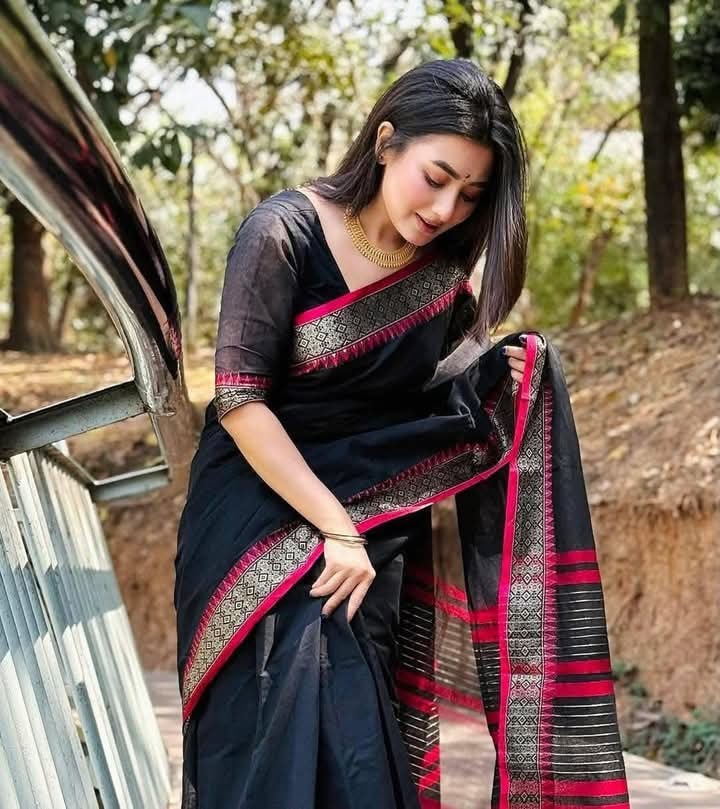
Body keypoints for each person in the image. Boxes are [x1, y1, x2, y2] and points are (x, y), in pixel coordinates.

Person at [175, 58, 629, 809]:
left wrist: (508, 381)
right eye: (436, 177)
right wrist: (334, 528)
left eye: (471, 195)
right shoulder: (281, 233)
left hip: (370, 536)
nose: (447, 208)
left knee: (361, 747)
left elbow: (424, 407)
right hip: (255, 514)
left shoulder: (441, 277)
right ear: (386, 143)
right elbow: (241, 401)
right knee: (286, 715)